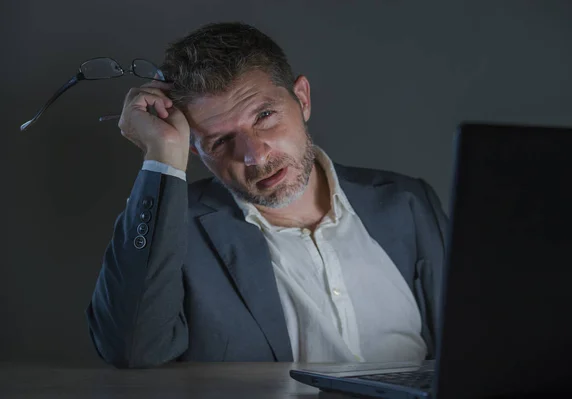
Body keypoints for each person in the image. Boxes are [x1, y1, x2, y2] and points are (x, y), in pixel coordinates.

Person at [86, 22, 448, 369]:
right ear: (195, 150)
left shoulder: (409, 204)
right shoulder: (174, 231)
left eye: (264, 116)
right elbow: (131, 350)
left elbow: (473, 344)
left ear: (302, 99)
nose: (255, 155)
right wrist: (162, 155)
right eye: (220, 140)